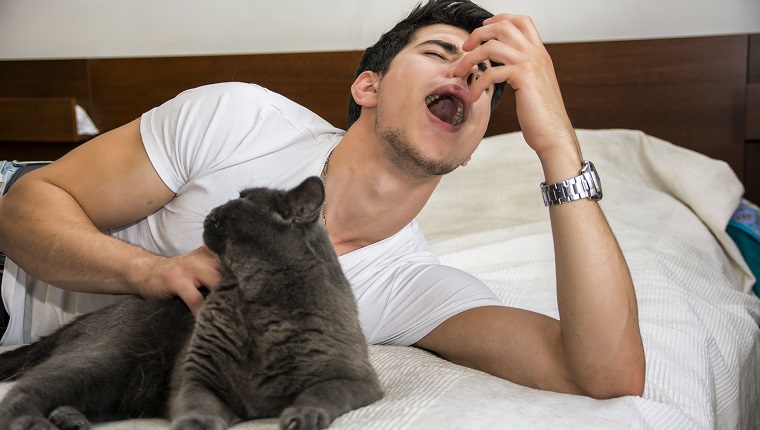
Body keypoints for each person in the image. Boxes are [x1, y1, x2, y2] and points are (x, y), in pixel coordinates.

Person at [0, 0, 645, 399]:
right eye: (440, 53)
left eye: (485, 78)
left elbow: (605, 375)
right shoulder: (241, 118)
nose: (464, 78)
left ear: (477, 140)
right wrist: (150, 272)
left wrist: (558, 144)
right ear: (368, 86)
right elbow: (25, 206)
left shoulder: (407, 287)